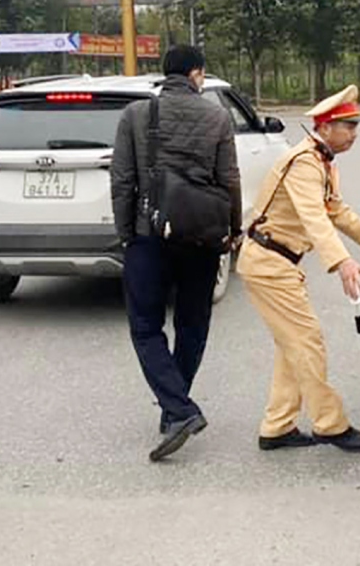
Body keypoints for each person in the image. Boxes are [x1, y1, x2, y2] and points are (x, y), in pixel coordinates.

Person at [239, 85, 360, 453]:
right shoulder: (304, 163)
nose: (354, 133)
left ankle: (277, 427)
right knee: (308, 342)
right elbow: (314, 218)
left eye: (355, 126)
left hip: (277, 262)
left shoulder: (321, 160)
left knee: (292, 346)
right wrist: (342, 262)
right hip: (269, 263)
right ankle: (330, 424)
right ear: (324, 127)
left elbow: (335, 210)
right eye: (347, 126)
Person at [111, 44, 243, 462]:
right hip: (202, 238)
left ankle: (178, 409)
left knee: (146, 327)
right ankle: (177, 408)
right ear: (196, 74)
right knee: (192, 324)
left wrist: (127, 234)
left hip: (148, 236)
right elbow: (229, 180)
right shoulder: (217, 116)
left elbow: (121, 181)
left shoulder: (136, 115)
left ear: (164, 74)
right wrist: (233, 231)